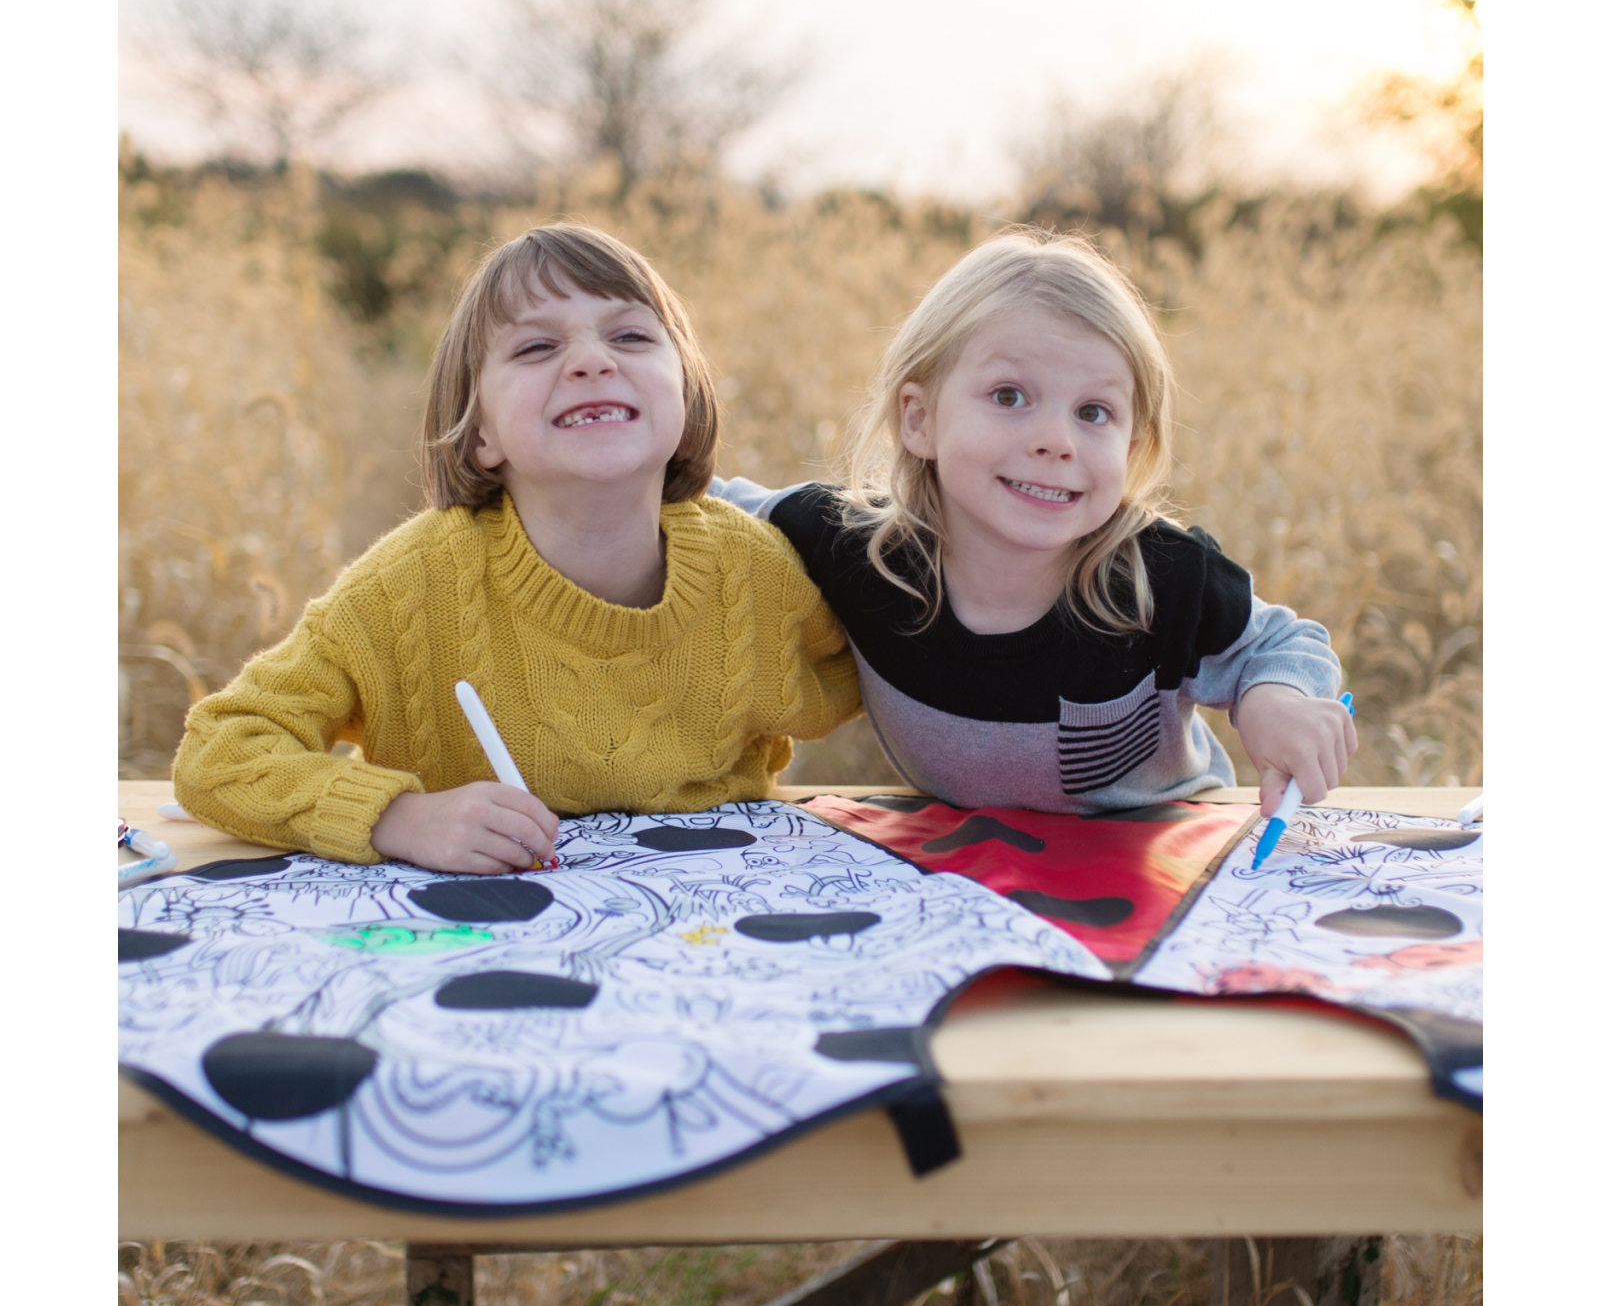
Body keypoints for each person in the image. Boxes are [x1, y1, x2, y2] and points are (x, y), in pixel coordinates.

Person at [174, 225, 860, 870]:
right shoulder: (406, 589)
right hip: (475, 942)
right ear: (481, 435)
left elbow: (885, 679)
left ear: (686, 395)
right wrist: (400, 819)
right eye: (536, 348)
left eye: (629, 335)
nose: (592, 361)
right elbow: (220, 752)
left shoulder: (757, 574)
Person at [713, 232, 1355, 817]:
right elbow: (705, 505)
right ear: (920, 420)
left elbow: (1282, 647)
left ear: (1130, 449)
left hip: (1162, 862)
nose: (1056, 440)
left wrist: (1277, 704)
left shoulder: (1161, 578)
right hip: (956, 870)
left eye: (1094, 412)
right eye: (1009, 396)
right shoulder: (857, 546)